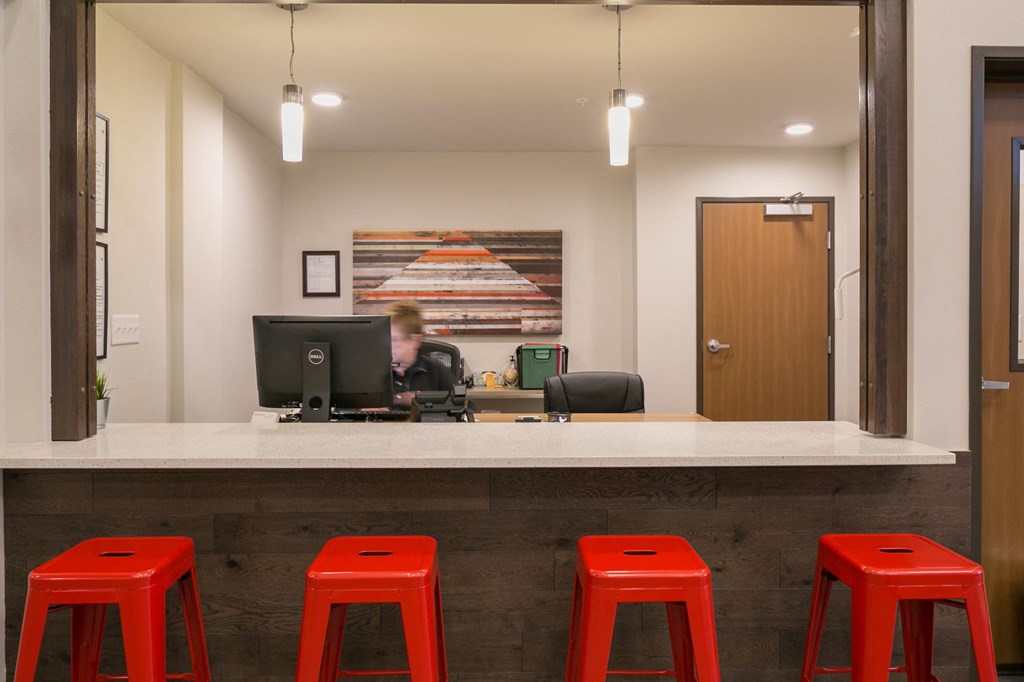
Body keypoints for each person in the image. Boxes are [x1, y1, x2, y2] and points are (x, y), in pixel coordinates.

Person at [387, 300, 455, 407]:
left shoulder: (436, 371)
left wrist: (427, 404)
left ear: (415, 341)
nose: (388, 345)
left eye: (394, 340)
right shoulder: (374, 372)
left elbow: (467, 409)